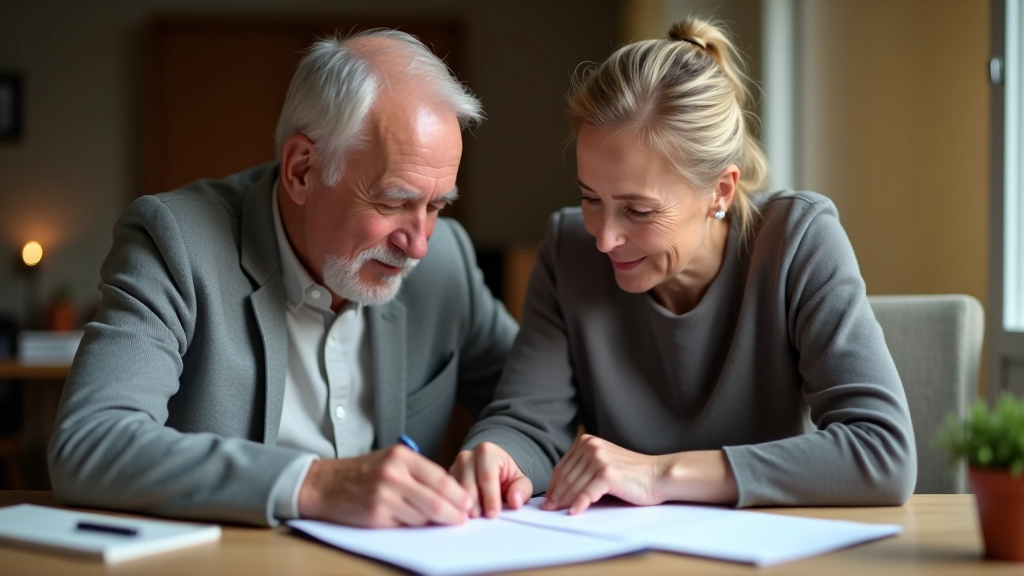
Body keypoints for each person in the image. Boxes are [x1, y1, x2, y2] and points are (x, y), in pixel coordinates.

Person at [48, 30, 518, 528]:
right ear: (301, 170)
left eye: (437, 206)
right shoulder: (176, 244)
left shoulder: (447, 260)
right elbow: (92, 441)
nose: (419, 243)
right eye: (394, 202)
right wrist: (315, 483)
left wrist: (502, 451)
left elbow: (530, 400)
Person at [451, 18, 916, 518]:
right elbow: (529, 423)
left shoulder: (797, 240)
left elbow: (882, 450)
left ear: (720, 190)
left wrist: (658, 474)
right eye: (590, 198)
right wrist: (496, 454)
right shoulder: (568, 251)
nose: (604, 238)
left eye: (639, 210)